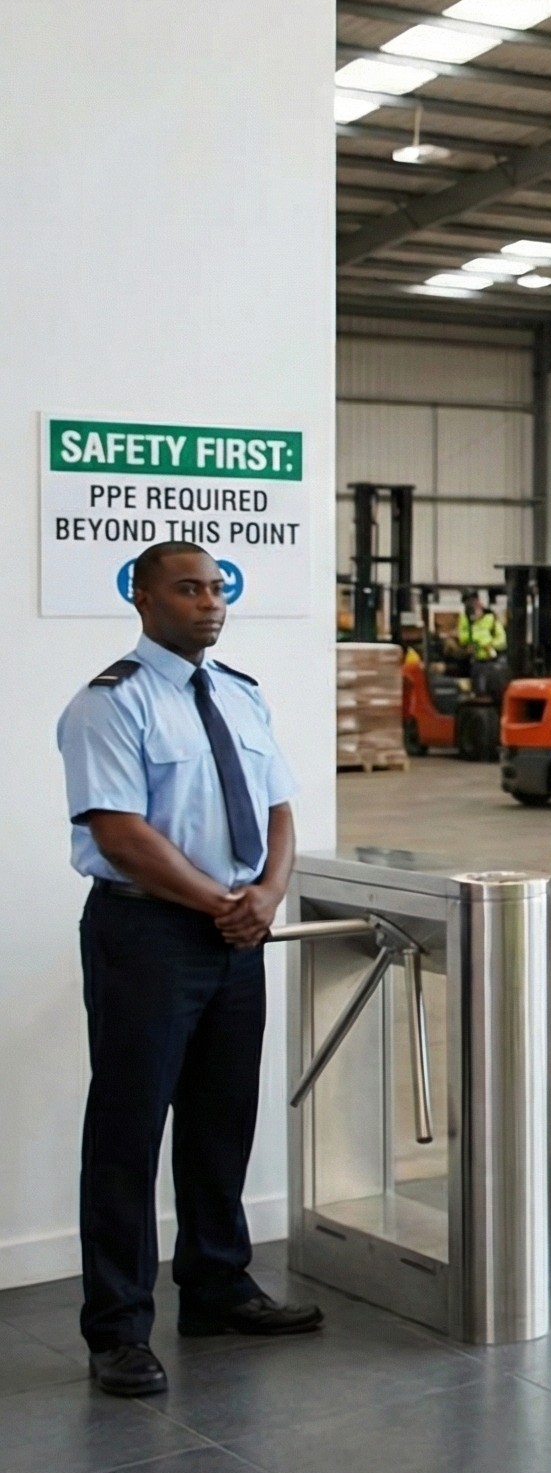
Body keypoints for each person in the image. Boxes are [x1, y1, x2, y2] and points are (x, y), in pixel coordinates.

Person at [57, 541, 326, 1398]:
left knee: (221, 1118)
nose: (210, 603)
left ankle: (215, 1285)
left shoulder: (242, 697)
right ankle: (118, 1328)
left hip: (236, 935)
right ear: (142, 599)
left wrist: (268, 895)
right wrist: (221, 901)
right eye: (188, 588)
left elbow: (279, 808)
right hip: (147, 937)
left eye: (216, 588)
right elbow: (120, 834)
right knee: (129, 1132)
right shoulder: (112, 704)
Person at [454, 590, 503, 663]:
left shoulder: (491, 617)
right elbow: (462, 636)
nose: (471, 605)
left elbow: (502, 640)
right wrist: (478, 637)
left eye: (473, 600)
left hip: (490, 658)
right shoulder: (464, 618)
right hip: (472, 658)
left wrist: (489, 644)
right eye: (467, 602)